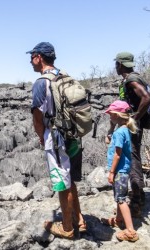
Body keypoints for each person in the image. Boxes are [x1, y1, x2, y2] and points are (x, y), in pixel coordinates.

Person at [27, 42, 86, 240]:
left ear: (39, 57)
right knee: (70, 181)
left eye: (32, 56)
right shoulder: (64, 76)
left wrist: (41, 138)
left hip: (57, 138)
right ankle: (80, 220)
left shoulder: (41, 83)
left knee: (62, 182)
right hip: (73, 136)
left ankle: (67, 228)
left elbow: (37, 116)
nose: (30, 60)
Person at [106, 52, 150, 217]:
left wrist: (134, 118)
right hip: (132, 125)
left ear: (120, 64)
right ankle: (140, 195)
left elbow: (146, 98)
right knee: (133, 157)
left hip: (132, 126)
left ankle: (136, 203)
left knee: (132, 160)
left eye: (116, 64)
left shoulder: (132, 80)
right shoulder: (133, 78)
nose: (115, 67)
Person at [101, 100, 139, 242]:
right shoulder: (123, 130)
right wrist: (111, 128)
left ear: (117, 115)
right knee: (119, 195)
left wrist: (111, 172)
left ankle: (130, 231)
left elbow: (117, 154)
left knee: (121, 199)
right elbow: (107, 141)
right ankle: (118, 219)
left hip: (119, 171)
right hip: (123, 170)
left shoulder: (119, 133)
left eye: (111, 114)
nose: (109, 116)